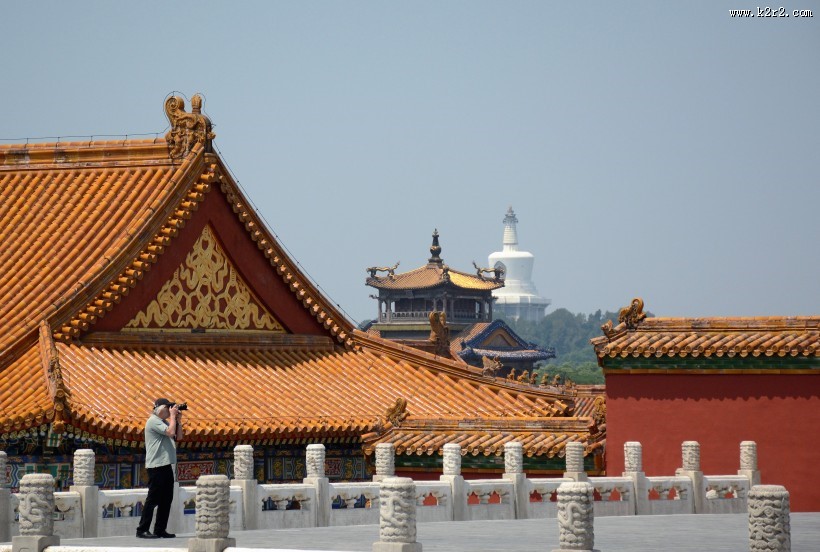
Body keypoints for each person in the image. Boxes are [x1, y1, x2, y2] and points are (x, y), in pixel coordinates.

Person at [136, 398, 184, 539]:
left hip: (166, 464)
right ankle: (142, 529)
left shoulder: (164, 422)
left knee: (166, 499)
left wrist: (178, 420)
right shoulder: (153, 420)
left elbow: (178, 436)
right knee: (153, 499)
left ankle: (160, 529)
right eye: (167, 407)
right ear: (159, 408)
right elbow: (170, 433)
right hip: (156, 465)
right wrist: (174, 417)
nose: (170, 410)